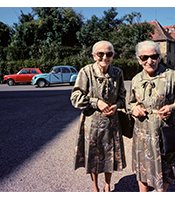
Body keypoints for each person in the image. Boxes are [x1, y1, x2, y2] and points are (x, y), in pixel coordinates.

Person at [128, 40, 175, 192]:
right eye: (144, 57)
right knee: (142, 169)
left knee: (165, 167)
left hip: (164, 131)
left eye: (154, 56)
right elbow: (130, 103)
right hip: (142, 133)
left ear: (159, 57)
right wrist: (134, 108)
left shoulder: (171, 76)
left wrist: (172, 107)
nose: (150, 61)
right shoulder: (136, 79)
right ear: (138, 59)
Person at [70, 41, 126, 192]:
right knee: (93, 157)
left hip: (112, 123)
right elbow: (75, 97)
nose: (105, 57)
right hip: (92, 124)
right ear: (94, 56)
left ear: (113, 56)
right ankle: (95, 187)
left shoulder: (118, 73)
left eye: (109, 54)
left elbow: (122, 97)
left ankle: (107, 185)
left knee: (110, 155)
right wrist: (96, 103)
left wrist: (117, 105)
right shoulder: (86, 72)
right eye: (100, 54)